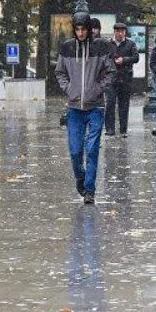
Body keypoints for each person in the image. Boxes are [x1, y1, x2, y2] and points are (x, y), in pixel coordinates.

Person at [55, 12, 114, 204]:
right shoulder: (66, 48)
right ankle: (80, 177)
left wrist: (98, 88)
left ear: (89, 29)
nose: (80, 33)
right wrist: (69, 89)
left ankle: (89, 190)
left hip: (96, 106)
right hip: (74, 107)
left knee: (92, 149)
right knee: (75, 150)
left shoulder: (101, 48)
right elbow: (60, 72)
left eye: (83, 29)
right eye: (77, 29)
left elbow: (110, 71)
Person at [105, 22, 139, 137]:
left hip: (125, 78)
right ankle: (110, 129)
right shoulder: (108, 43)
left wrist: (124, 60)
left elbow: (136, 58)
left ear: (125, 32)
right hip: (111, 78)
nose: (120, 34)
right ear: (114, 32)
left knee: (124, 105)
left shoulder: (130, 43)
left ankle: (123, 129)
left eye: (122, 31)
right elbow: (104, 58)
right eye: (118, 31)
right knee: (110, 103)